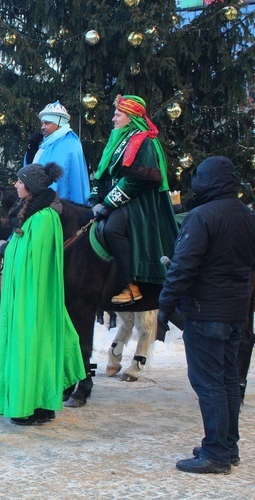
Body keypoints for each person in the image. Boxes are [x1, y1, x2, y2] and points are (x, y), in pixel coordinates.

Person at [157, 156, 255, 474]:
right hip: (235, 312)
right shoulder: (246, 215)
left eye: (198, 176)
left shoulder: (201, 216)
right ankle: (228, 446)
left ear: (209, 180)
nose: (194, 182)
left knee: (209, 382)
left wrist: (165, 305)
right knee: (227, 380)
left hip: (205, 311)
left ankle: (216, 454)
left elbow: (184, 266)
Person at [0, 162, 85, 425]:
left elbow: (32, 262)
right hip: (31, 296)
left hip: (33, 298)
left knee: (31, 345)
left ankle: (30, 406)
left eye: (20, 181)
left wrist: (4, 249)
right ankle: (41, 404)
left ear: (32, 187)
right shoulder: (35, 214)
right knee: (37, 346)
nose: (16, 185)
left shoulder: (43, 218)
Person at [92, 95, 178, 305]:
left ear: (130, 116)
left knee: (113, 229)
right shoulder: (118, 139)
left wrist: (108, 204)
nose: (113, 119)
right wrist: (95, 198)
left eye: (117, 114)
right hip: (120, 200)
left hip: (139, 203)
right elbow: (104, 173)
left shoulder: (143, 141)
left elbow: (136, 181)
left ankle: (131, 286)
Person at [26, 101, 90, 205]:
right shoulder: (47, 143)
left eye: (47, 123)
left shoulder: (69, 143)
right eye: (42, 123)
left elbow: (64, 179)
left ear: (59, 123)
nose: (42, 127)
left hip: (60, 205)